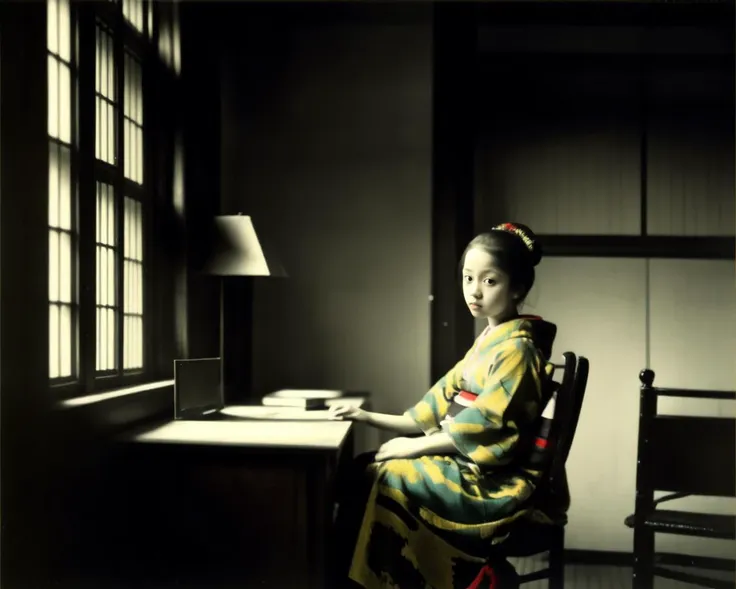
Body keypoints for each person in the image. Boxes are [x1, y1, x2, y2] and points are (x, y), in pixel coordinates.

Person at [327, 222, 561, 589]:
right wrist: (364, 416)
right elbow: (429, 409)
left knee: (389, 474)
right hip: (465, 461)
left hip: (492, 480)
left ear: (517, 288)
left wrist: (416, 445)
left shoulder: (518, 349)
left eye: (490, 281)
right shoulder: (487, 341)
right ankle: (347, 576)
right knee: (364, 467)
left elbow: (486, 428)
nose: (475, 292)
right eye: (469, 278)